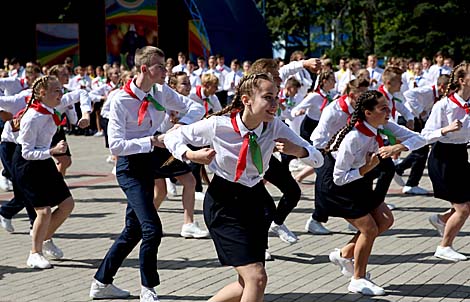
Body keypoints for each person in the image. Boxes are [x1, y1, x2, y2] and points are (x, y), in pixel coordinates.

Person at [164, 72, 323, 302]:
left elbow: (318, 158)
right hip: (223, 202)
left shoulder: (275, 126)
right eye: (268, 97)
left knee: (248, 282)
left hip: (255, 202)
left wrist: (297, 151)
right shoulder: (218, 126)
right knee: (256, 278)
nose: (275, 103)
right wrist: (191, 154)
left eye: (276, 97)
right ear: (247, 99)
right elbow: (172, 138)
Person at [90, 46, 204, 302]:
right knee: (152, 229)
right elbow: (116, 145)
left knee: (133, 230)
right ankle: (148, 288)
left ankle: (101, 282)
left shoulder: (160, 91)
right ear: (144, 69)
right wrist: (151, 141)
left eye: (166, 66)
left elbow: (195, 108)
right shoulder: (120, 100)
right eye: (160, 67)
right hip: (130, 168)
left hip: (151, 162)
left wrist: (180, 127)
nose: (166, 71)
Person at [320, 90, 424, 295]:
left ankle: (343, 254)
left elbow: (419, 139)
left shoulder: (382, 126)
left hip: (359, 180)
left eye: (388, 107)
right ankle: (357, 279)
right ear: (368, 113)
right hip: (338, 185)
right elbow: (338, 177)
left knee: (385, 220)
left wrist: (398, 147)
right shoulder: (354, 137)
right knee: (369, 229)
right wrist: (367, 168)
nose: (389, 111)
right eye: (383, 108)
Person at [12, 75, 75, 269]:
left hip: (44, 160)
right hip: (27, 165)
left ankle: (45, 238)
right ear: (42, 93)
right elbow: (27, 152)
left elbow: (80, 94)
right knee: (44, 211)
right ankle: (34, 253)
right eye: (56, 90)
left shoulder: (52, 108)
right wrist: (52, 151)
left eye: (61, 89)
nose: (60, 93)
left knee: (67, 204)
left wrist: (85, 115)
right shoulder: (32, 117)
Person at [304, 78, 369, 233]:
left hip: (346, 151)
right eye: (363, 95)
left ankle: (355, 218)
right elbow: (319, 136)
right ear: (352, 95)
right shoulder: (333, 110)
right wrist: (323, 155)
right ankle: (315, 220)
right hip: (324, 150)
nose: (367, 98)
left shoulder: (360, 108)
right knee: (326, 186)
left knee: (357, 182)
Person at [421, 62, 470, 262]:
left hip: (460, 154)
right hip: (443, 157)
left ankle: (441, 219)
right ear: (462, 80)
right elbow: (425, 135)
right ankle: (444, 246)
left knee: (467, 202)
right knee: (463, 208)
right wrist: (446, 129)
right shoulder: (444, 105)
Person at [152, 71, 209, 239]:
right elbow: (161, 125)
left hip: (169, 147)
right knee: (165, 189)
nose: (188, 86)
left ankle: (187, 223)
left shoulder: (188, 103)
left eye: (189, 82)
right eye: (184, 83)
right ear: (173, 87)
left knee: (172, 187)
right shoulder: (163, 100)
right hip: (158, 146)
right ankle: (147, 222)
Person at [394, 74, 450, 194]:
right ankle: (404, 175)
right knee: (420, 151)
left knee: (421, 151)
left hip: (418, 121)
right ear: (441, 86)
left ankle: (408, 179)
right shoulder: (427, 90)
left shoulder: (438, 96)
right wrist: (420, 111)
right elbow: (409, 94)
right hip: (410, 119)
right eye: (448, 88)